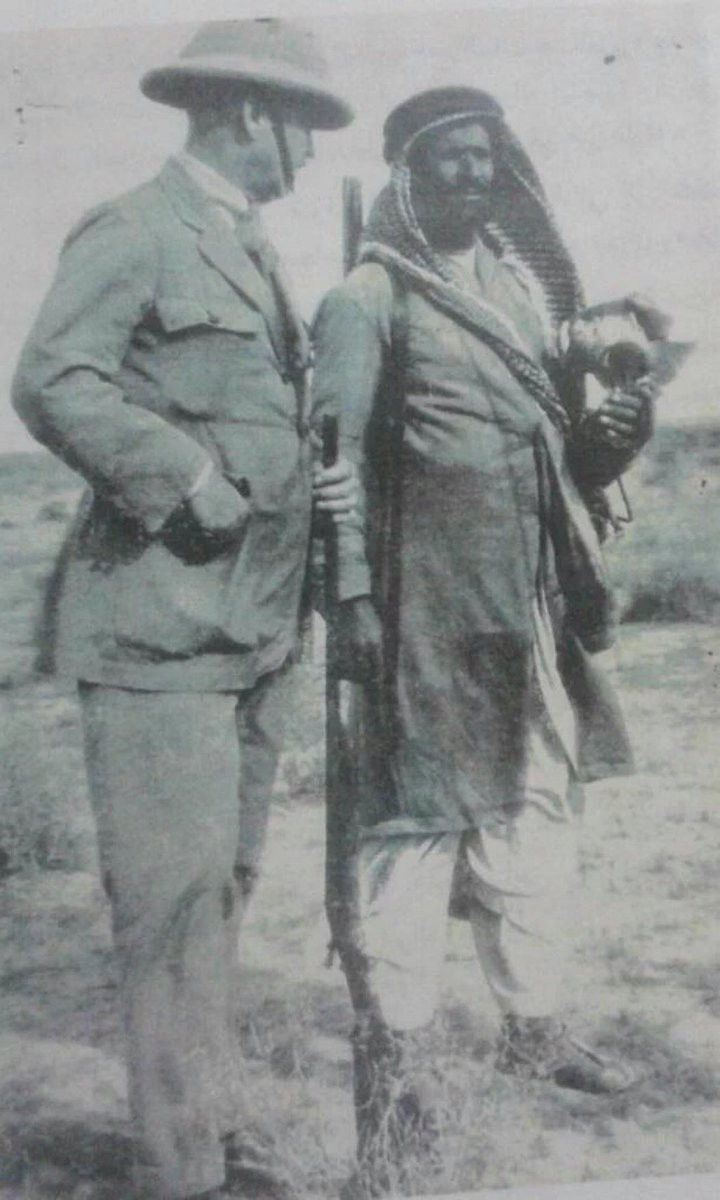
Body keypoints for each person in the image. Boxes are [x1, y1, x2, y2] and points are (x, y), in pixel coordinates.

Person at [12, 20, 356, 1200]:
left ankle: (203, 1134)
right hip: (158, 632)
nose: (311, 150)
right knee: (170, 918)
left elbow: (246, 410)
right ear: (249, 112)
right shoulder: (137, 228)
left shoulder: (244, 243)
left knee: (218, 901)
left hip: (248, 632)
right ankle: (184, 1175)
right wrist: (186, 476)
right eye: (302, 124)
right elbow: (52, 378)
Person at [311, 87, 662, 1192]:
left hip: (527, 608)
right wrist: (352, 603)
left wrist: (614, 436)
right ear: (409, 176)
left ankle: (533, 1024)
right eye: (450, 157)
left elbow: (558, 461)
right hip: (421, 609)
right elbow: (331, 467)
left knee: (536, 808)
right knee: (417, 831)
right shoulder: (367, 300)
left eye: (486, 156)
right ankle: (400, 1061)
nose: (473, 173)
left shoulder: (514, 293)